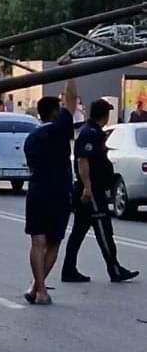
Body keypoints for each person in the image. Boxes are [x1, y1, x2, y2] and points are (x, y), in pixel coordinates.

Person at [61, 99, 139, 284]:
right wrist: (88, 188)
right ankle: (114, 270)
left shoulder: (94, 132)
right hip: (92, 191)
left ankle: (69, 269)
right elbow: (83, 161)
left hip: (91, 189)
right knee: (104, 230)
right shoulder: (90, 134)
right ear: (103, 115)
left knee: (79, 231)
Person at [22, 78, 77, 305]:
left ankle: (37, 287)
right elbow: (71, 99)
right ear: (55, 112)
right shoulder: (60, 129)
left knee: (37, 242)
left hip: (36, 190)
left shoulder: (31, 138)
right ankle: (40, 289)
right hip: (59, 192)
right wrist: (69, 72)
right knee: (53, 242)